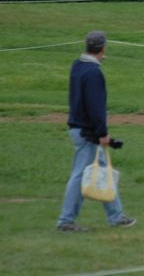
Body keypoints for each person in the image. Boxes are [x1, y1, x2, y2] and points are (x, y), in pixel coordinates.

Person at [57, 31, 136, 232]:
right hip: (87, 132)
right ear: (103, 48)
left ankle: (116, 216)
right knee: (79, 175)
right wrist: (102, 133)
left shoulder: (78, 66)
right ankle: (66, 220)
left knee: (103, 170)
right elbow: (96, 107)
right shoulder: (93, 72)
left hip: (79, 128)